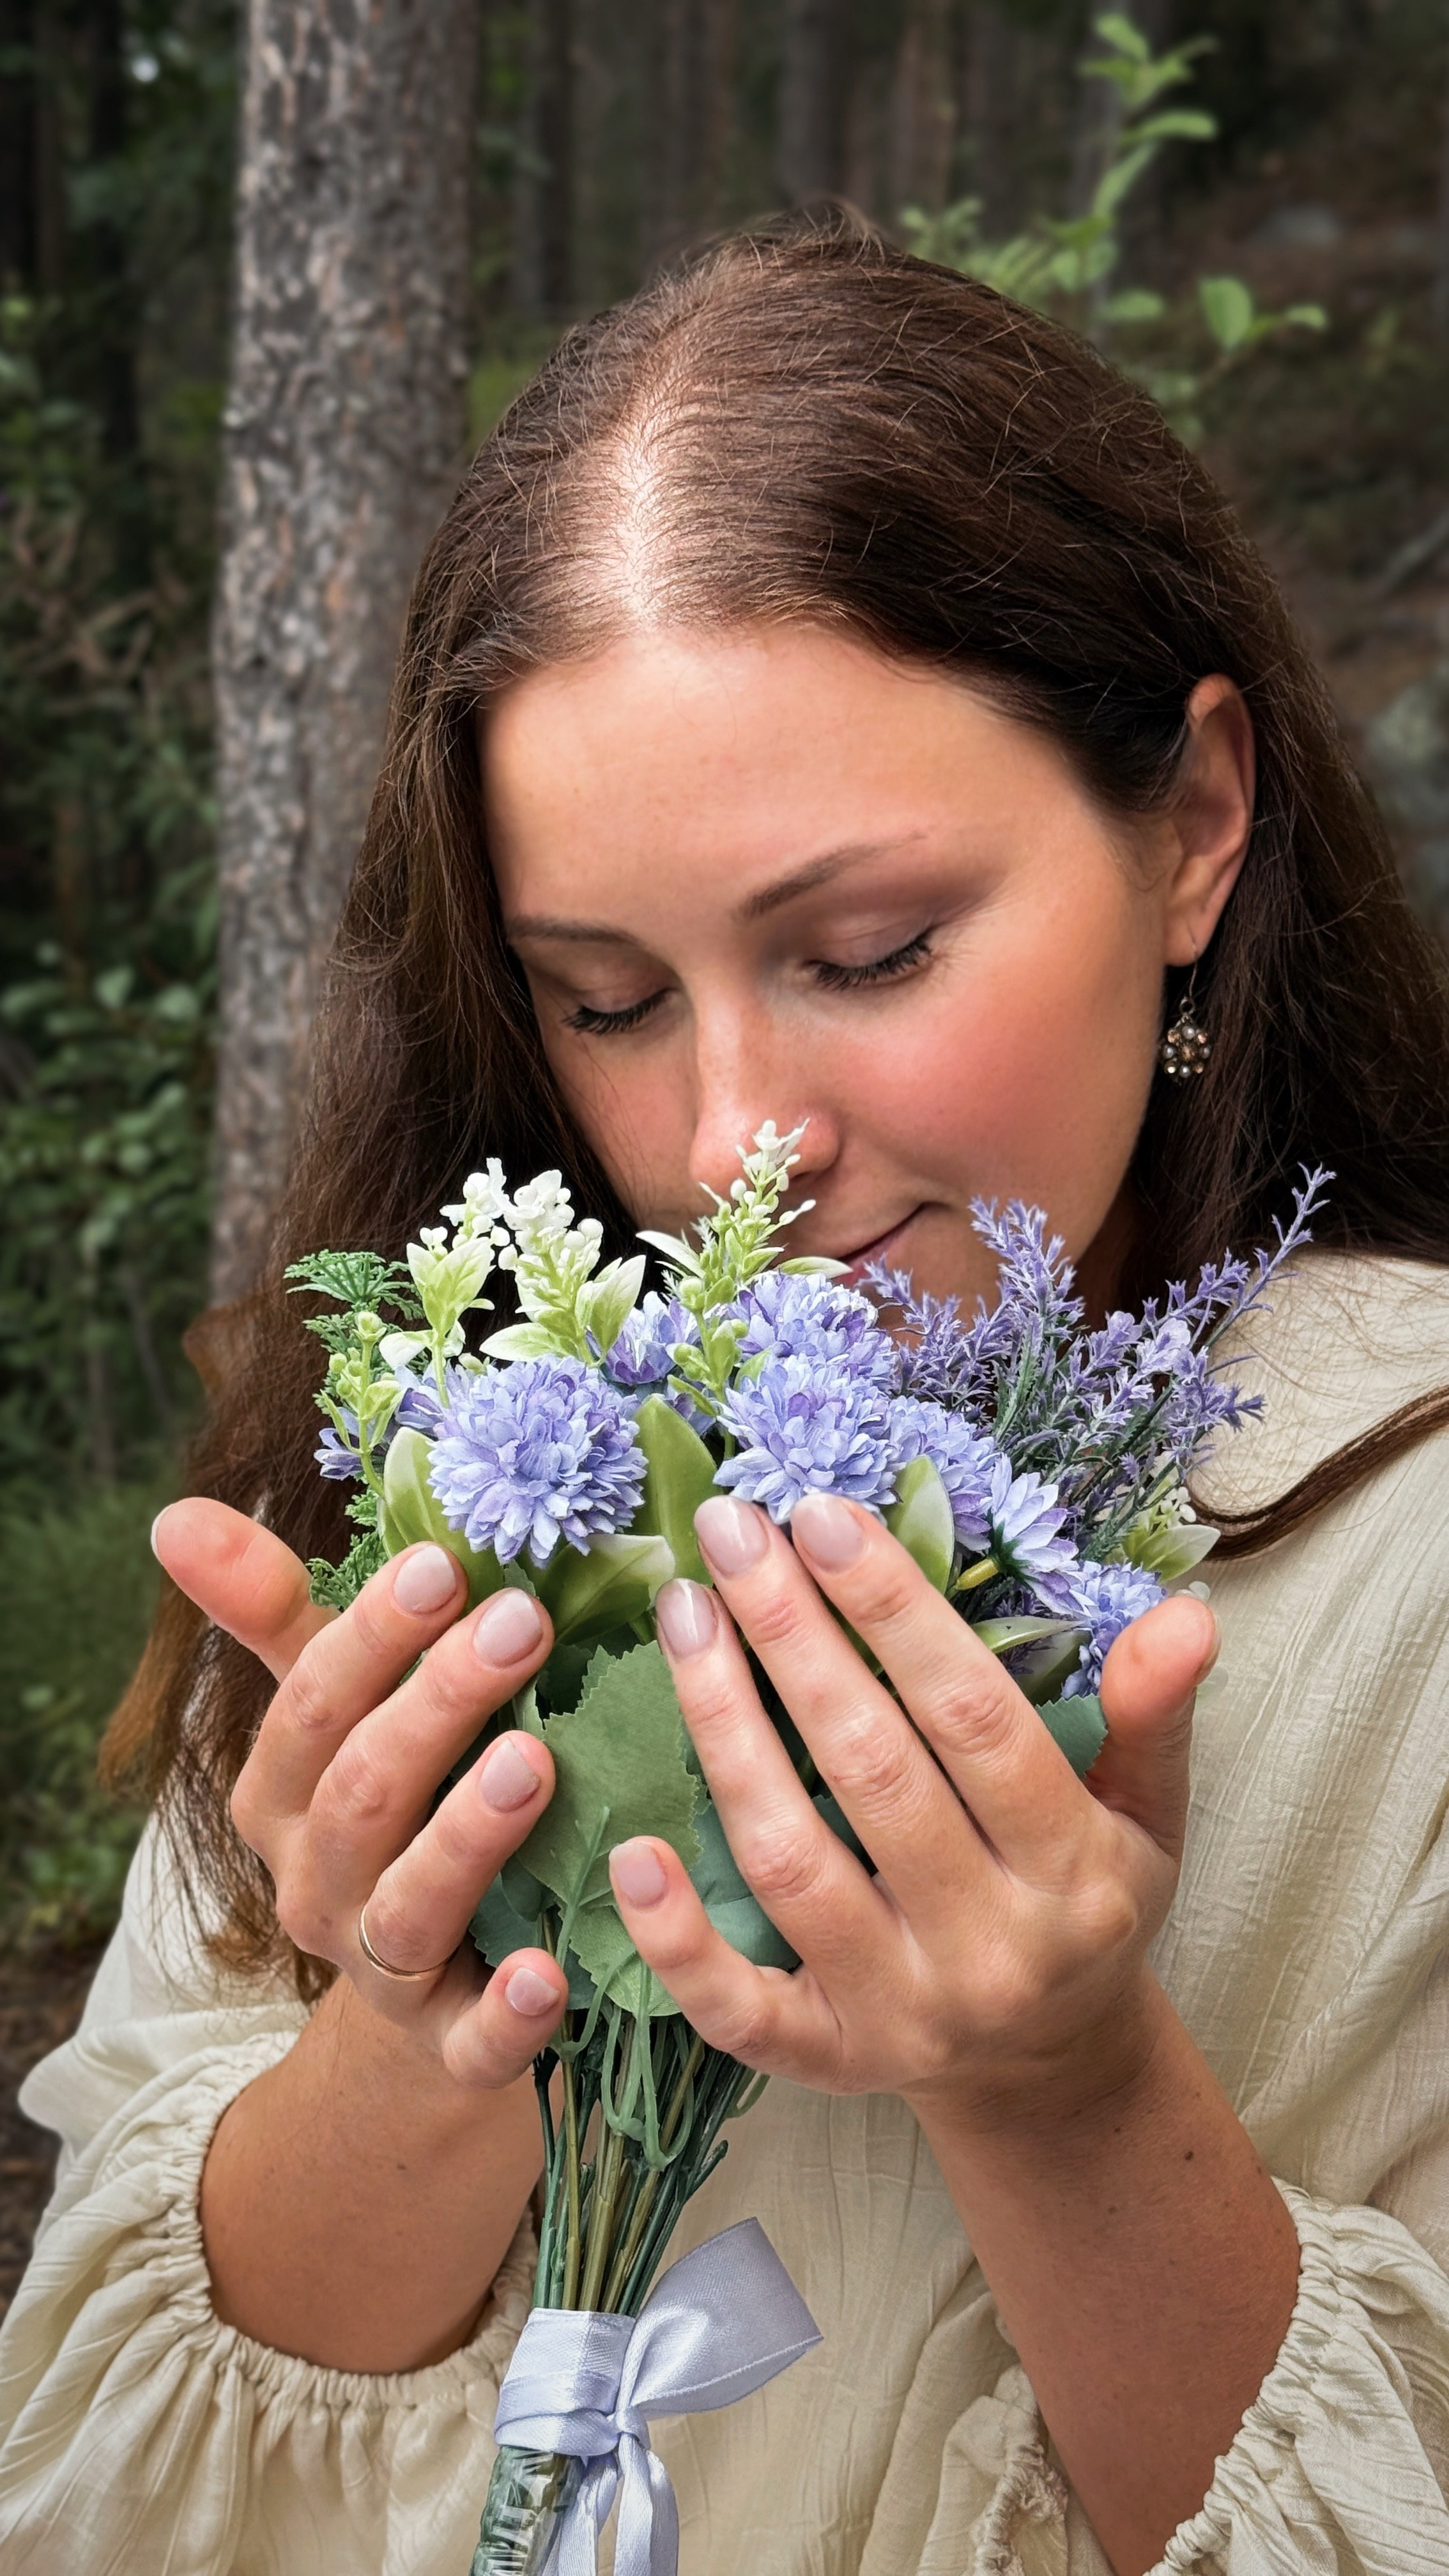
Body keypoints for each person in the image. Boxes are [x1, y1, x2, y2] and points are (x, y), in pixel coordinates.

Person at [4, 214, 1449, 2576]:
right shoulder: (462, 1461)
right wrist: (419, 2019)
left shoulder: (1408, 1547)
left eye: (866, 949)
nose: (726, 1146)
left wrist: (1062, 2087)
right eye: (605, 999)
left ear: (1193, 825)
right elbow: (120, 2483)